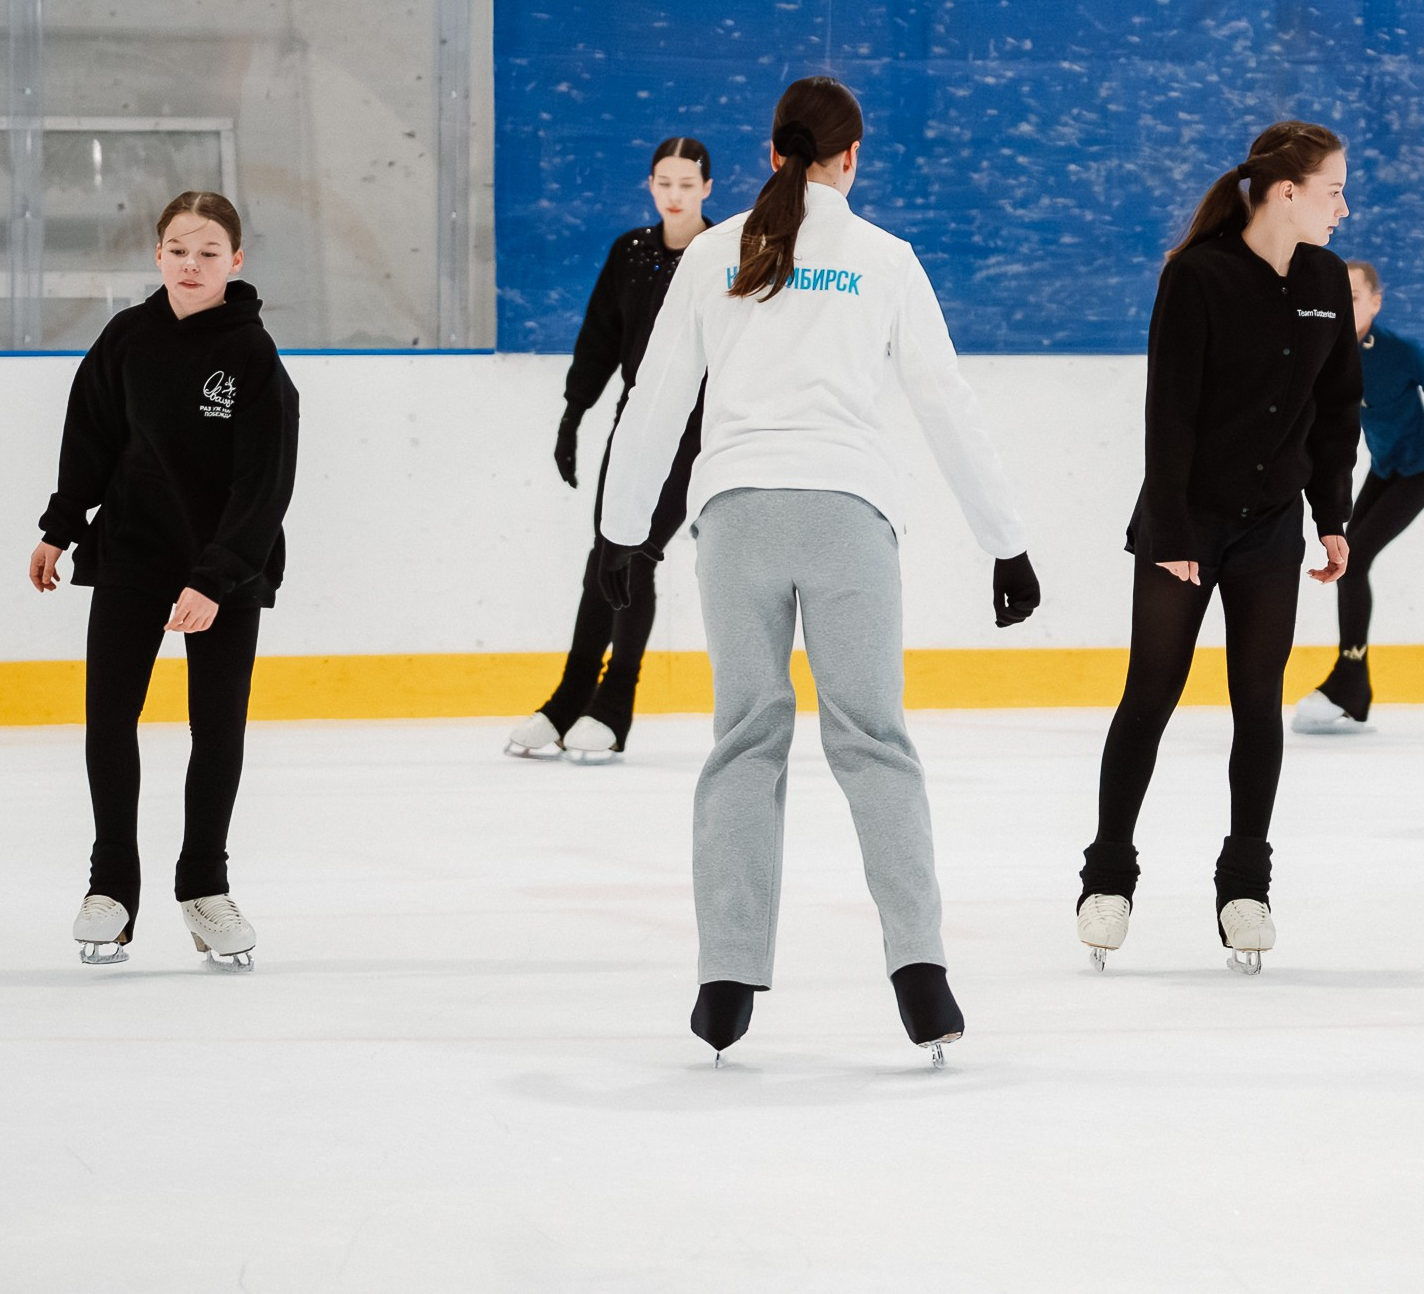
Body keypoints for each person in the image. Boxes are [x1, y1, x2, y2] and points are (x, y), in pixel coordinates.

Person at [599, 76, 1040, 1065]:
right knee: (873, 743)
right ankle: (921, 971)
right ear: (852, 156)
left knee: (744, 742)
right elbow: (943, 397)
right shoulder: (884, 258)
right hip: (848, 517)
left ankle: (725, 977)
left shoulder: (714, 252)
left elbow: (654, 396)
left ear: (769, 152)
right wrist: (1003, 539)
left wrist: (622, 534)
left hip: (737, 519)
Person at [1076, 120, 1363, 976]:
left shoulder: (1323, 281)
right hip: (1186, 521)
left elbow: (1335, 409)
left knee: (1257, 704)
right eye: (1334, 189)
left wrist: (1334, 516)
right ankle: (1108, 879)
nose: (1344, 207)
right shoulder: (1197, 276)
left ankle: (1245, 888)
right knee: (1151, 694)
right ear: (1286, 192)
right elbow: (1169, 413)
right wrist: (1169, 531)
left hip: (1271, 527)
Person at [31, 191, 300, 969]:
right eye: (179, 249)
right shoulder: (127, 338)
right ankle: (111, 886)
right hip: (131, 557)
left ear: (236, 263)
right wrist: (60, 525)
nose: (192, 263)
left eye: (209, 251)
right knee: (109, 719)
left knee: (215, 730)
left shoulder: (254, 356)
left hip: (227, 570)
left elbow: (265, 483)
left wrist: (216, 577)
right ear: (158, 256)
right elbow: (91, 437)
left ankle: (204, 887)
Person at [506, 137, 714, 765]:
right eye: (664, 182)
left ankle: (615, 706)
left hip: (701, 427)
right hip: (636, 420)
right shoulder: (629, 252)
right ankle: (570, 697)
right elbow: (600, 334)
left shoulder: (721, 253)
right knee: (606, 554)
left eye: (687, 184)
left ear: (708, 188)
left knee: (639, 553)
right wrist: (574, 414)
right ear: (650, 185)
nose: (674, 195)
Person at [1292, 260, 1424, 735]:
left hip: (1423, 470)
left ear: (1375, 302)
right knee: (1349, 560)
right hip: (1386, 469)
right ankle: (1353, 685)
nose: (1341, 305)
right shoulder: (1322, 353)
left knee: (1356, 557)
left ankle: (1349, 676)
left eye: (1351, 297)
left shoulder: (1400, 352)